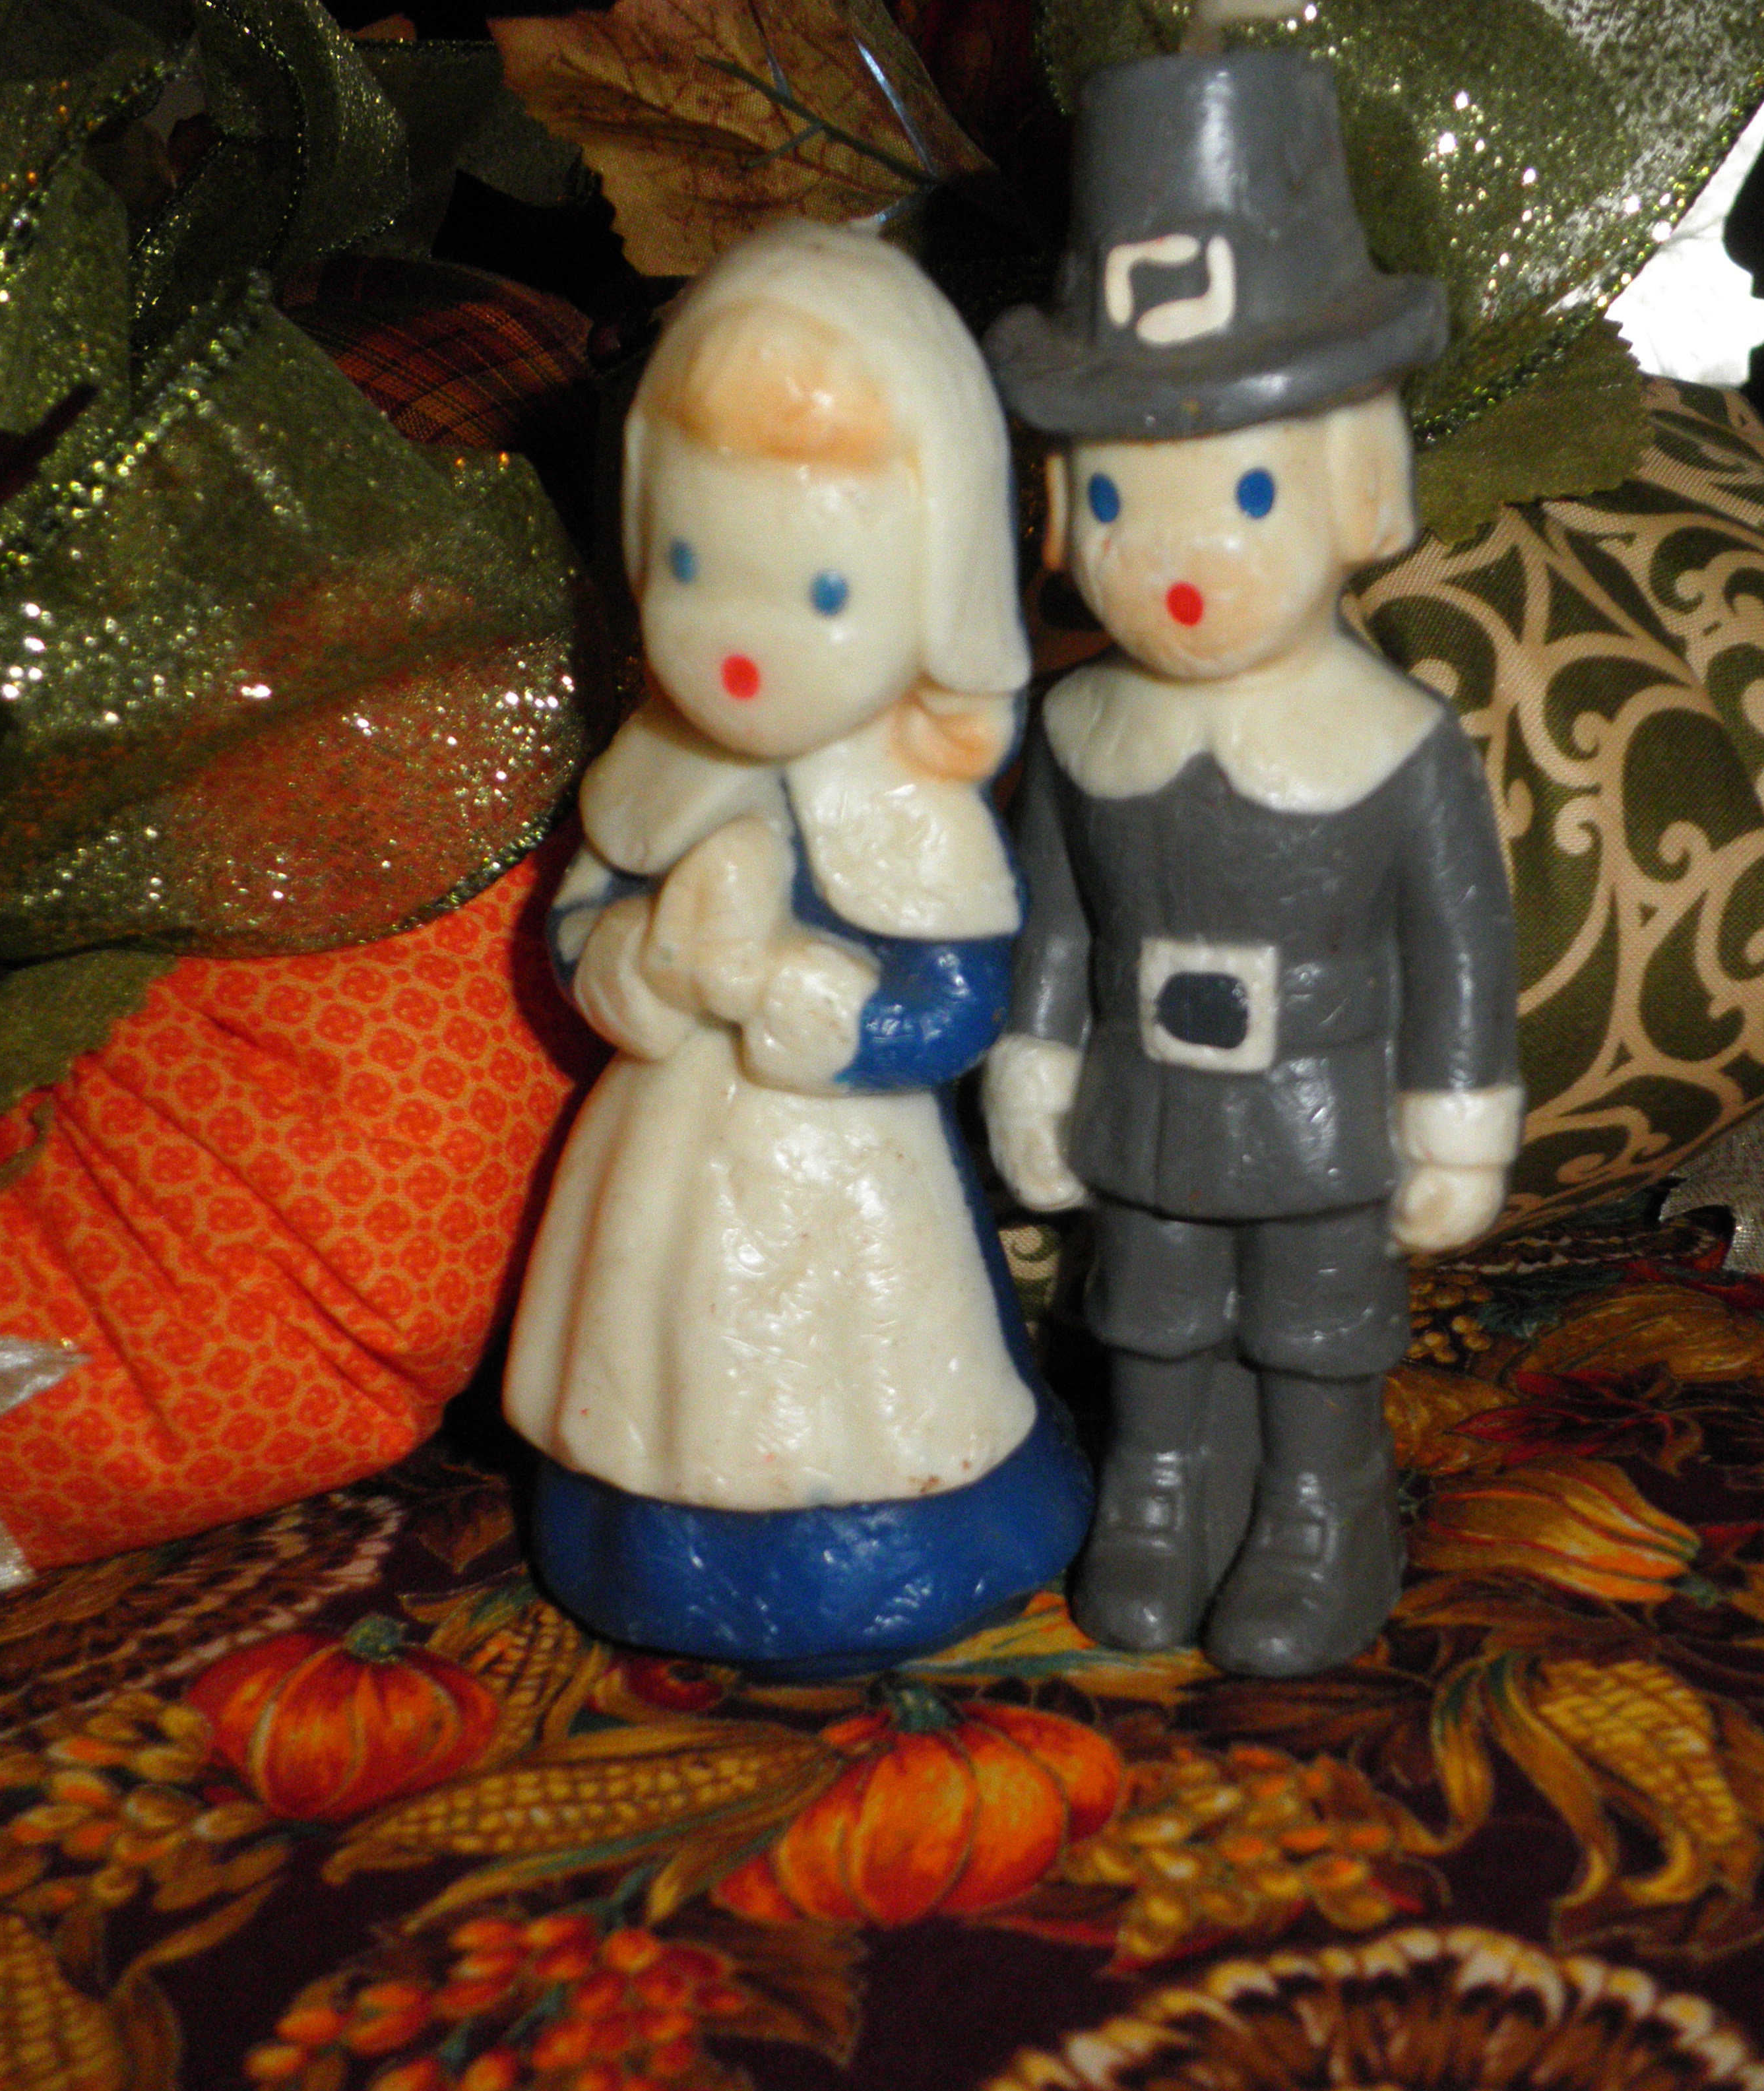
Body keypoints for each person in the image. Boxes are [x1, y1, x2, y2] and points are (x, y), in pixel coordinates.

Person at [984, 49, 1523, 1675]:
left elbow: (1460, 944)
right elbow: (1054, 923)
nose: (1180, 560)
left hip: (1317, 1110)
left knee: (1315, 1325)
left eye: (1248, 487)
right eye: (1116, 490)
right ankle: (1155, 1491)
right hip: (1146, 1103)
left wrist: (1454, 1116)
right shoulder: (1081, 730)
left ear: (1358, 482)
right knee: (1142, 1310)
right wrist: (1032, 1062)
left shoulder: (1395, 744)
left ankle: (1317, 1505)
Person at [506, 219, 1087, 1676]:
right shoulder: (654, 770)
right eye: (694, 563)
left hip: (854, 1181)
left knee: (880, 1375)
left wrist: (812, 1000)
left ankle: (902, 1540)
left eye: (822, 591)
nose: (741, 645)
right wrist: (628, 961)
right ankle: (651, 1546)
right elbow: (574, 923)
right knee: (651, 1354)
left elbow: (956, 1000)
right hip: (667, 1148)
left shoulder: (917, 813)